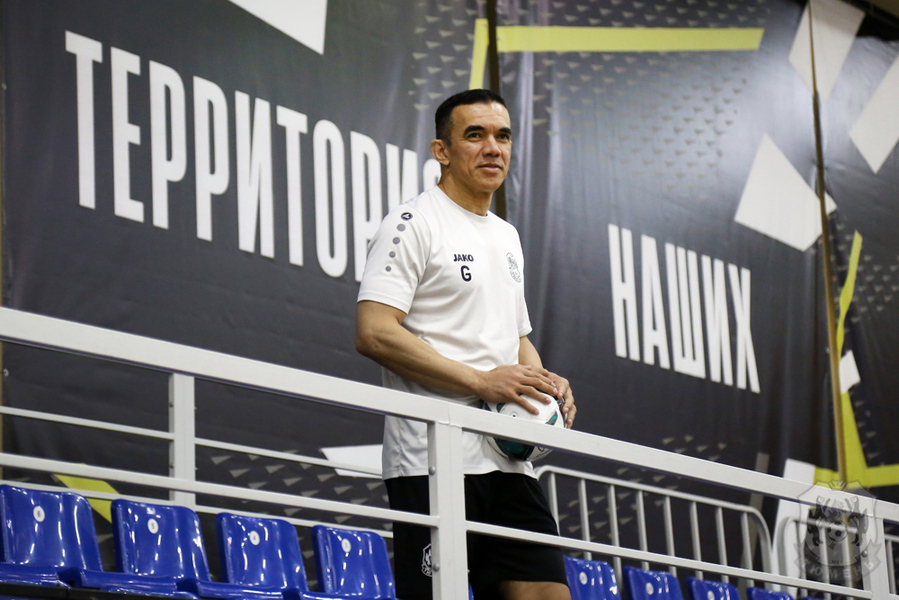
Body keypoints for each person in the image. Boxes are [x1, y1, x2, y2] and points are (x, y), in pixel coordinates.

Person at [356, 89, 576, 600]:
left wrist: (545, 385)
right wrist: (481, 381)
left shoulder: (506, 236)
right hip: (434, 458)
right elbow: (374, 331)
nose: (493, 148)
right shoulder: (413, 222)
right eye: (475, 135)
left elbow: (516, 340)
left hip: (508, 459)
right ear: (442, 151)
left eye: (503, 136)